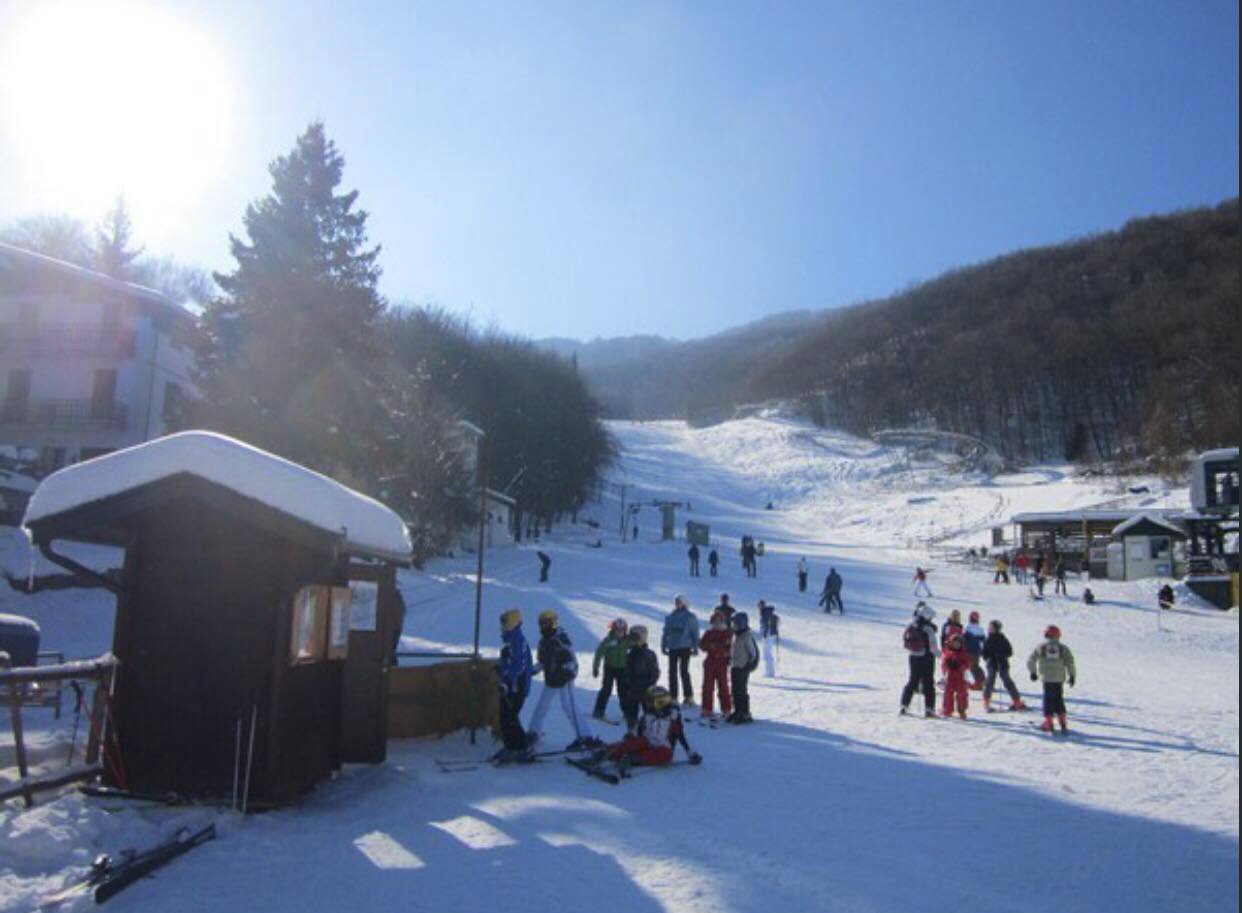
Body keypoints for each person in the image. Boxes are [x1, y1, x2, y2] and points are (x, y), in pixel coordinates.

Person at [527, 610, 600, 750]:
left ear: (554, 622)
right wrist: (531, 671)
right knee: (542, 705)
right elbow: (542, 661)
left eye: (548, 622)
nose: (544, 626)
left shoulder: (561, 638)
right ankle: (533, 732)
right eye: (542, 623)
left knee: (568, 706)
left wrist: (569, 671)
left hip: (564, 678)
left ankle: (585, 736)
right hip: (551, 678)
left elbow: (571, 658)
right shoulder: (543, 641)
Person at [596, 686, 701, 774]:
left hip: (662, 746)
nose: (648, 706)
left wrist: (692, 753)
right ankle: (609, 752)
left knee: (667, 755)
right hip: (646, 741)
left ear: (660, 704)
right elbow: (638, 727)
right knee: (634, 743)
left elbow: (682, 737)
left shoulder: (673, 718)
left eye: (651, 703)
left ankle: (633, 759)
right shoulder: (648, 715)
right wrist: (631, 735)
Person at [494, 609, 534, 762]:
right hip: (511, 686)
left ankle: (522, 748)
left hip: (518, 687)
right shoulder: (510, 640)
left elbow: (519, 665)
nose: (503, 627)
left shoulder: (518, 639)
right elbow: (510, 662)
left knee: (509, 717)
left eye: (505, 624)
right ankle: (511, 747)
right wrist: (501, 669)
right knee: (505, 716)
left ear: (513, 624)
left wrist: (507, 681)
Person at [1028, 624, 1077, 733]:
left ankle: (1049, 723)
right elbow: (1070, 662)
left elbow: (1031, 660)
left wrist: (1033, 672)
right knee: (1059, 699)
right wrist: (1072, 675)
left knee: (1048, 700)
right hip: (1059, 679)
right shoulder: (1063, 648)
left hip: (1047, 678)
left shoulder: (1041, 647)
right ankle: (1063, 722)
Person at [899, 602, 940, 717]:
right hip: (927, 657)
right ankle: (929, 709)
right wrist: (941, 655)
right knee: (928, 682)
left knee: (912, 681)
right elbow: (933, 646)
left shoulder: (912, 625)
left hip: (913, 656)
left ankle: (904, 706)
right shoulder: (928, 628)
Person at [661, 595, 700, 706]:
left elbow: (694, 633)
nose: (677, 604)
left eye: (679, 602)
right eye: (676, 602)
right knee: (672, 672)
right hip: (673, 647)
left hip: (685, 647)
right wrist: (664, 645)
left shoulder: (690, 617)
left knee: (684, 672)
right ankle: (673, 696)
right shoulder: (671, 616)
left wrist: (695, 647)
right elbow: (666, 631)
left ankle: (688, 696)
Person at [621, 625, 660, 733]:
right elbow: (627, 672)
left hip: (645, 690)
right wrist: (626, 683)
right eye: (630, 639)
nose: (630, 642)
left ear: (641, 640)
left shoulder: (648, 654)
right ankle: (631, 733)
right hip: (632, 690)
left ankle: (648, 734)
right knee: (631, 713)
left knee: (649, 713)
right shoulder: (630, 655)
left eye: (633, 639)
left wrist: (647, 685)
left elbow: (655, 673)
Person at [981, 619, 1026, 712]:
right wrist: (989, 657)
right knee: (990, 681)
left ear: (997, 629)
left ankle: (1017, 701)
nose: (990, 629)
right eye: (989, 627)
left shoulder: (1002, 639)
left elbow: (1010, 651)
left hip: (1002, 663)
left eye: (992, 628)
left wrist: (1001, 655)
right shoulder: (988, 639)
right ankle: (986, 701)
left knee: (1007, 681)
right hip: (992, 664)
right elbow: (984, 653)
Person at [591, 618, 630, 721]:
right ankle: (598, 711)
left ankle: (627, 712)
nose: (620, 633)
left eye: (622, 630)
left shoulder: (628, 640)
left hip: (623, 668)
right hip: (610, 667)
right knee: (606, 689)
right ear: (614, 630)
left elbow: (636, 646)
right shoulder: (609, 640)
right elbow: (599, 653)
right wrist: (596, 667)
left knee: (623, 691)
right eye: (618, 630)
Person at [698, 609, 733, 720]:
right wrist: (709, 646)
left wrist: (718, 648)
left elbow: (728, 648)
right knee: (707, 686)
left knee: (723, 686)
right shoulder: (708, 633)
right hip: (710, 661)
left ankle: (726, 709)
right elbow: (702, 645)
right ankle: (706, 709)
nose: (716, 624)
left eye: (718, 622)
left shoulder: (726, 633)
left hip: (721, 662)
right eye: (714, 622)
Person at [728, 612, 760, 724]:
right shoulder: (736, 635)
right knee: (734, 690)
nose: (733, 626)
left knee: (741, 690)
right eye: (733, 624)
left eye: (735, 624)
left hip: (743, 667)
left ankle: (745, 712)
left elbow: (753, 653)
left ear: (742, 624)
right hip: (735, 666)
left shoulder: (746, 636)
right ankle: (737, 711)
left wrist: (748, 665)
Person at [941, 631, 971, 719]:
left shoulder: (963, 653)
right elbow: (943, 664)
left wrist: (961, 666)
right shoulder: (947, 653)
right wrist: (947, 665)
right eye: (954, 643)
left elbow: (967, 664)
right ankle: (947, 710)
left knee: (962, 695)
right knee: (948, 694)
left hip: (960, 677)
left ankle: (962, 710)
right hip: (950, 676)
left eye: (958, 643)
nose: (956, 645)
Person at [963, 611, 987, 690]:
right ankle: (982, 681)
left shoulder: (968, 628)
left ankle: (980, 682)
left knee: (972, 666)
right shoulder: (979, 628)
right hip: (976, 650)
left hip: (970, 650)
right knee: (974, 666)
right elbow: (983, 639)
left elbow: (964, 638)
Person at [758, 601, 780, 678]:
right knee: (768, 653)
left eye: (759, 606)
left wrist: (765, 634)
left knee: (767, 654)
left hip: (767, 635)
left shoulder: (764, 613)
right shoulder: (769, 612)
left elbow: (765, 625)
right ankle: (770, 671)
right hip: (771, 635)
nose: (758, 608)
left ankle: (769, 672)